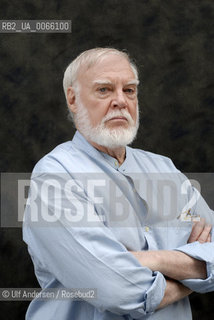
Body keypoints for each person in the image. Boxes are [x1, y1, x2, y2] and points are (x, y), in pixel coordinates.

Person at [23, 48, 214, 319]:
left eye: (130, 90)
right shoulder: (55, 178)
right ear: (73, 99)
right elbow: (121, 292)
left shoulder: (164, 168)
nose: (120, 101)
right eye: (104, 90)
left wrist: (152, 259)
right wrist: (194, 270)